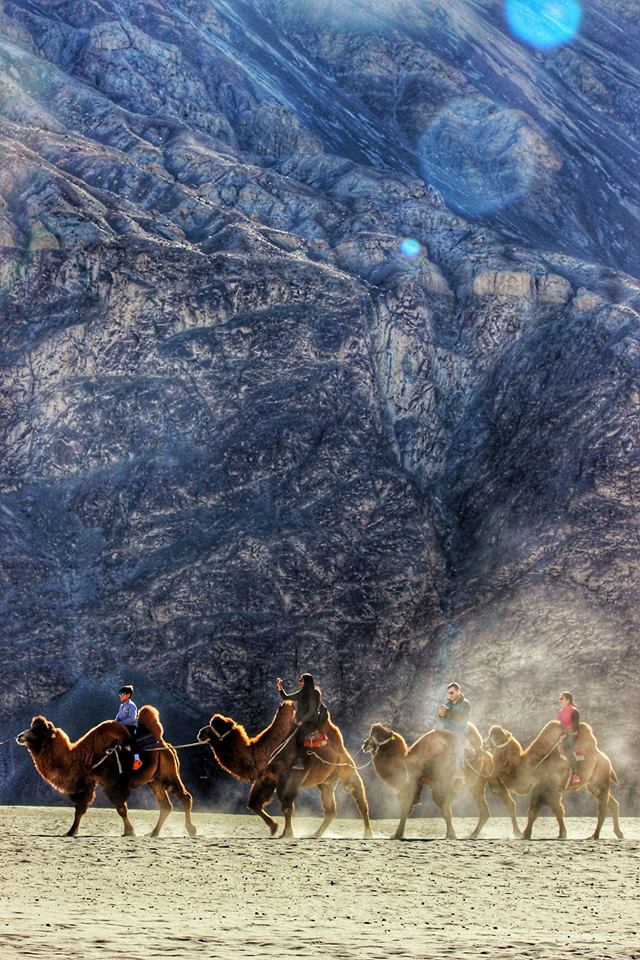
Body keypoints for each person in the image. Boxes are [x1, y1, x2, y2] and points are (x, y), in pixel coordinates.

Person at [277, 673, 328, 771]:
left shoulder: (314, 693)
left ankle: (300, 761)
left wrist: (301, 721)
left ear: (307, 682)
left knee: (300, 736)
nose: (299, 682)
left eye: (301, 680)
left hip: (311, 721)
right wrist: (280, 689)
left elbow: (312, 711)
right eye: (299, 680)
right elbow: (287, 697)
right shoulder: (301, 693)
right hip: (300, 721)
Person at [438, 681, 471, 770]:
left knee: (458, 746)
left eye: (452, 693)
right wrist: (441, 715)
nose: (450, 695)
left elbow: (461, 719)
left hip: (459, 731)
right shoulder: (448, 704)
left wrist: (447, 712)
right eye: (448, 693)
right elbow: (443, 721)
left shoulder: (466, 704)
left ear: (458, 691)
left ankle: (460, 771)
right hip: (447, 730)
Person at [556, 691, 581, 784]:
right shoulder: (560, 712)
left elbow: (575, 727)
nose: (560, 701)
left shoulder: (574, 712)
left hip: (572, 736)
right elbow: (558, 724)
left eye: (562, 699)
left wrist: (565, 734)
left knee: (567, 749)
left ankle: (575, 774)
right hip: (562, 735)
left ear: (568, 700)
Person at [116, 684, 142, 770]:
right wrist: (114, 723)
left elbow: (132, 718)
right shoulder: (121, 706)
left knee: (132, 740)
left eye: (122, 694)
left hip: (131, 727)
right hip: (122, 727)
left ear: (128, 695)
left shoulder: (132, 705)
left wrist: (121, 724)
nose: (120, 696)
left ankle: (137, 760)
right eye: (119, 694)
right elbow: (118, 717)